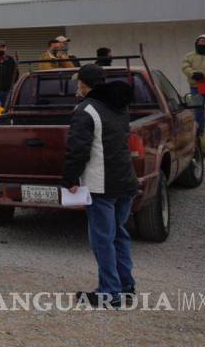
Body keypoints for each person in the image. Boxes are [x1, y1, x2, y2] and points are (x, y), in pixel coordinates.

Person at [63, 64, 140, 307]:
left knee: (102, 239)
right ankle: (125, 287)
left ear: (85, 85)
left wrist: (70, 179)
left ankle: (109, 292)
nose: (77, 87)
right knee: (119, 234)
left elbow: (78, 149)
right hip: (125, 181)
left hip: (101, 185)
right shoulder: (119, 106)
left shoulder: (86, 110)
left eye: (79, 83)